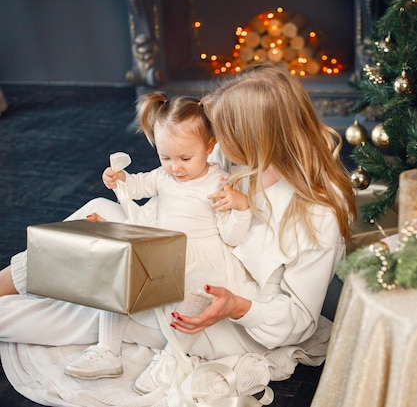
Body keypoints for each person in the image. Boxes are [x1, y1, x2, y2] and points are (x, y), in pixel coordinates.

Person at [0, 63, 356, 406]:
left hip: (225, 312)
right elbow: (178, 192)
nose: (214, 142)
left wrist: (236, 306)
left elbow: (299, 321)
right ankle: (12, 280)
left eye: (222, 133)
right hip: (186, 261)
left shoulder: (317, 212)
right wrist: (118, 234)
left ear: (254, 137)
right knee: (102, 214)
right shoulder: (239, 160)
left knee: (88, 312)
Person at [62, 92, 250, 384]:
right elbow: (138, 184)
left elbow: (233, 235)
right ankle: (107, 350)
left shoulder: (218, 182)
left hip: (200, 256)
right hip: (163, 250)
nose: (175, 167)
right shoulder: (164, 177)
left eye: (186, 158)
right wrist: (119, 180)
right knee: (121, 278)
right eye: (166, 157)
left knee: (196, 293)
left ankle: (173, 357)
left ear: (210, 146)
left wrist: (240, 207)